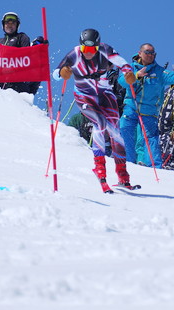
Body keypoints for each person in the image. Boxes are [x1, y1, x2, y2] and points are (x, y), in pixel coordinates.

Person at [54, 28, 137, 192]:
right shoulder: (75, 54)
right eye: (85, 48)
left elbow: (124, 64)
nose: (88, 52)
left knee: (115, 131)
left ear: (98, 46)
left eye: (92, 49)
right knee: (100, 124)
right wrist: (63, 72)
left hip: (105, 94)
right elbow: (56, 74)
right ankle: (99, 168)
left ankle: (122, 175)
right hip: (85, 96)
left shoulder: (106, 50)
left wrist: (128, 73)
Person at [118, 43, 174, 168]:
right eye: (147, 52)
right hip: (132, 105)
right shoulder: (131, 68)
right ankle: (129, 162)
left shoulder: (159, 72)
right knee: (124, 128)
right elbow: (122, 81)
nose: (150, 55)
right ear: (140, 53)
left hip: (149, 109)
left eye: (153, 53)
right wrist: (135, 76)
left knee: (150, 137)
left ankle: (155, 166)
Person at [0, 12, 41, 94]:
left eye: (13, 23)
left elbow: (25, 56)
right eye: (7, 23)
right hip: (0, 81)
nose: (10, 25)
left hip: (16, 81)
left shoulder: (21, 37)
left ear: (17, 26)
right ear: (3, 25)